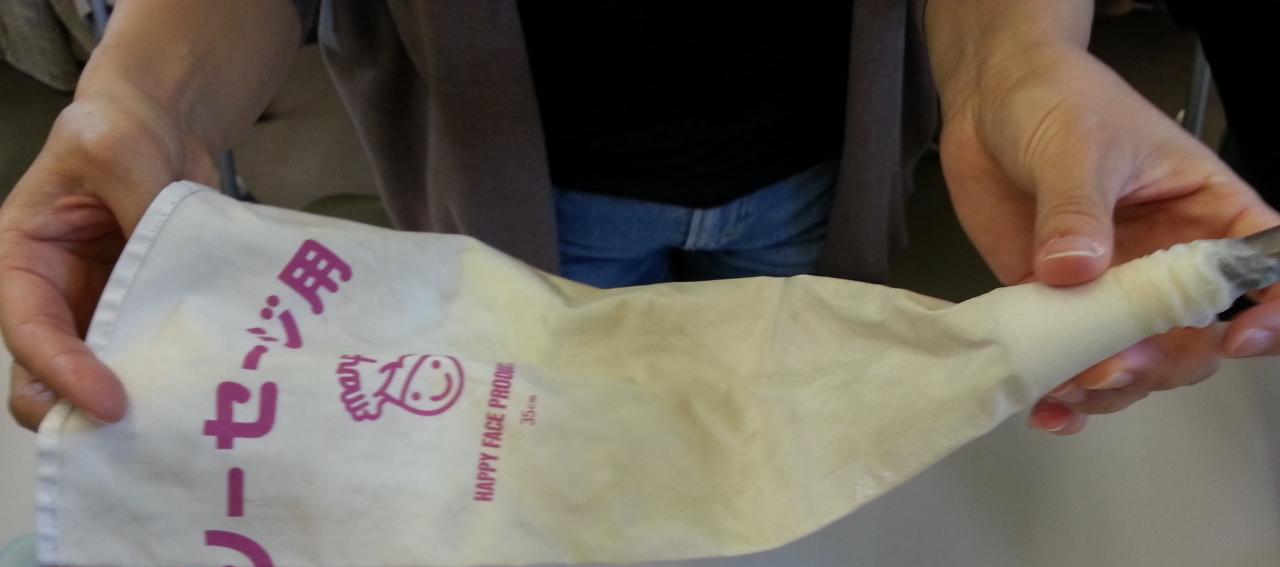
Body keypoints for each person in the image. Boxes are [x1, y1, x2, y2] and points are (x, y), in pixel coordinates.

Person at [1, 0, 1277, 443]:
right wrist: (142, 99)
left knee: (790, 399)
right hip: (536, 188)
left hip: (813, 159)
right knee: (563, 419)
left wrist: (1013, 59)